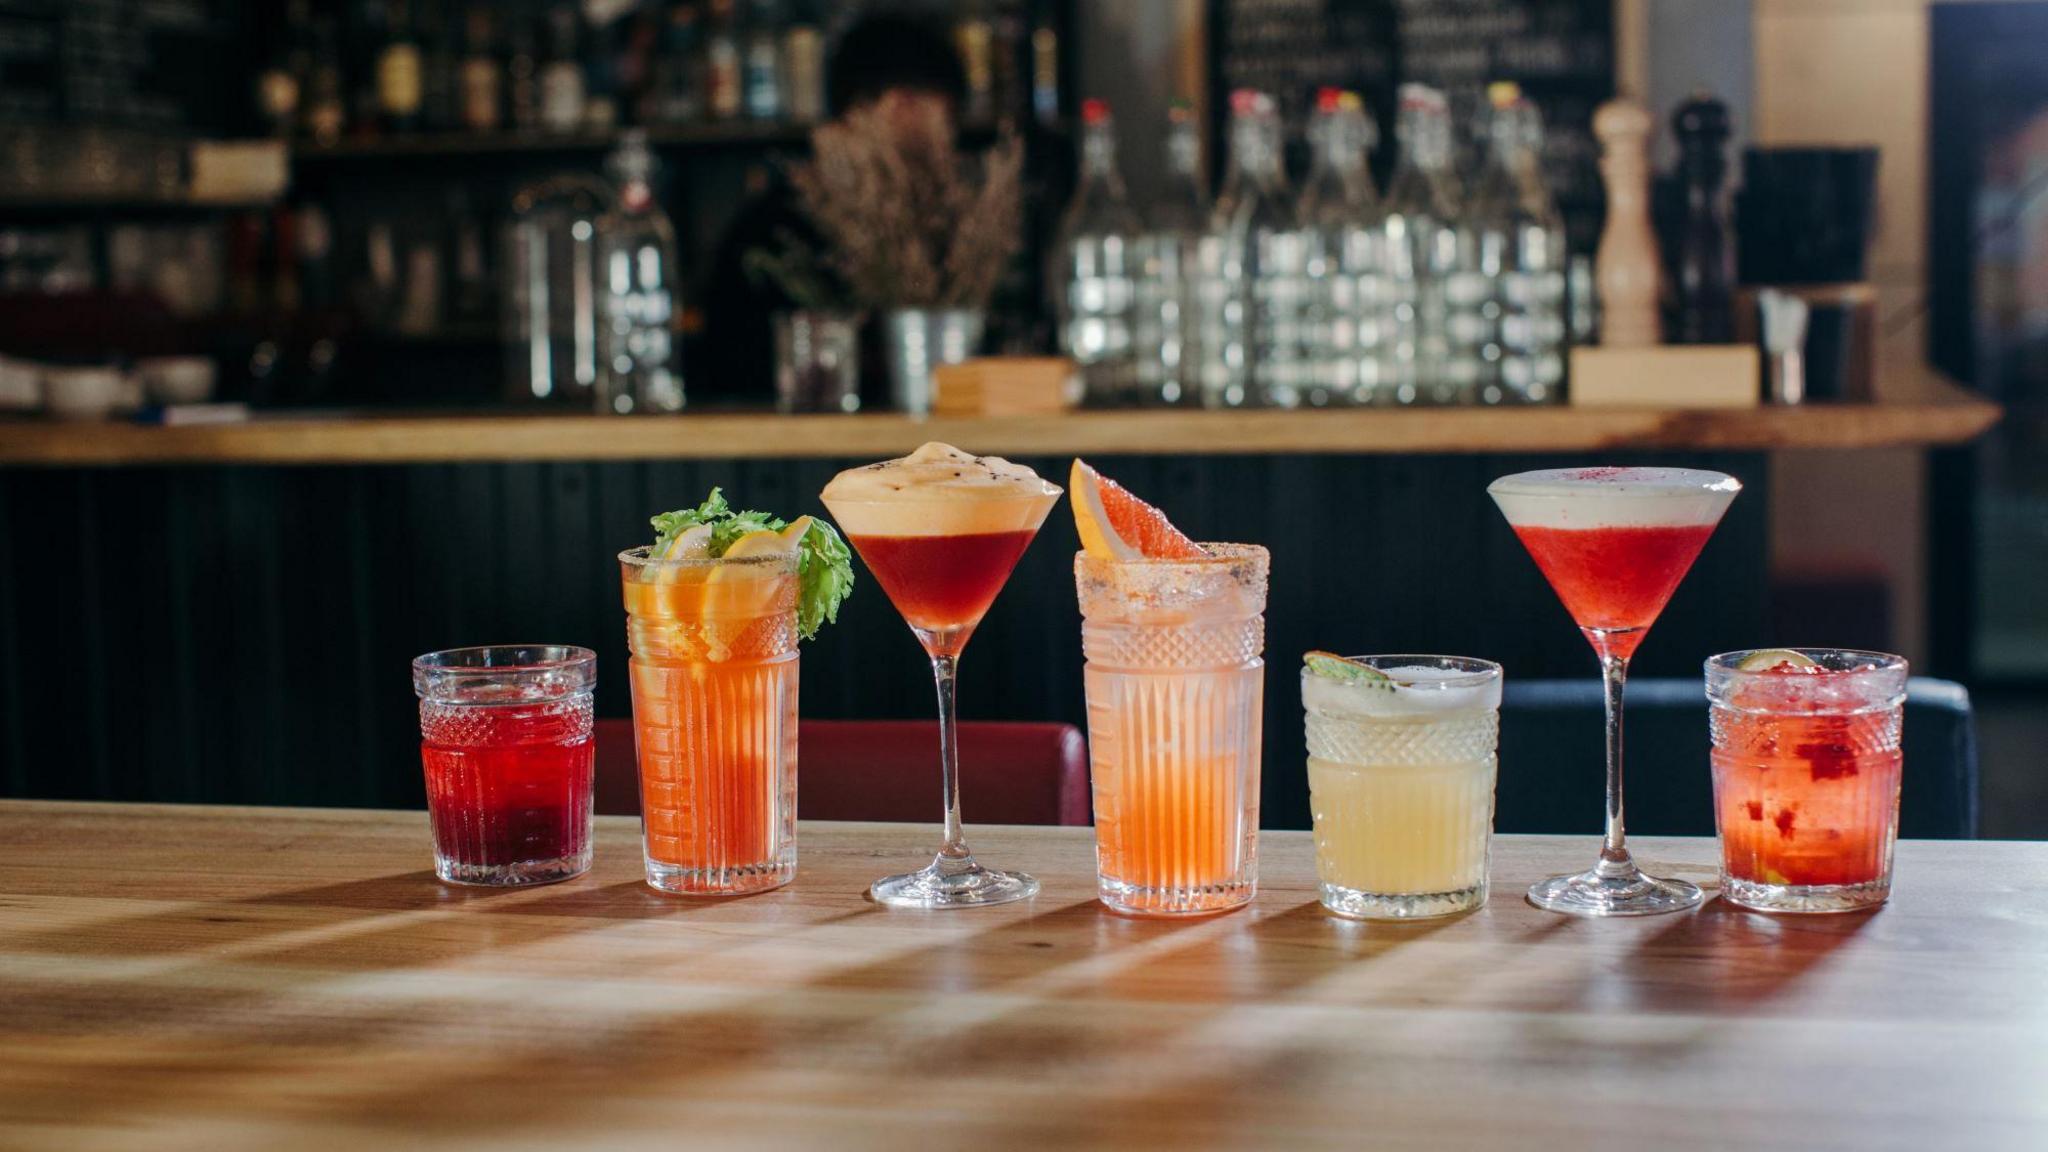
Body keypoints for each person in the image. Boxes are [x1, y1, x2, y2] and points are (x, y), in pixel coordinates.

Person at [696, 12, 967, 404]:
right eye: (947, 117)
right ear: (898, 104)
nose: (948, 143)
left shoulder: (769, 218)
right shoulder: (778, 230)